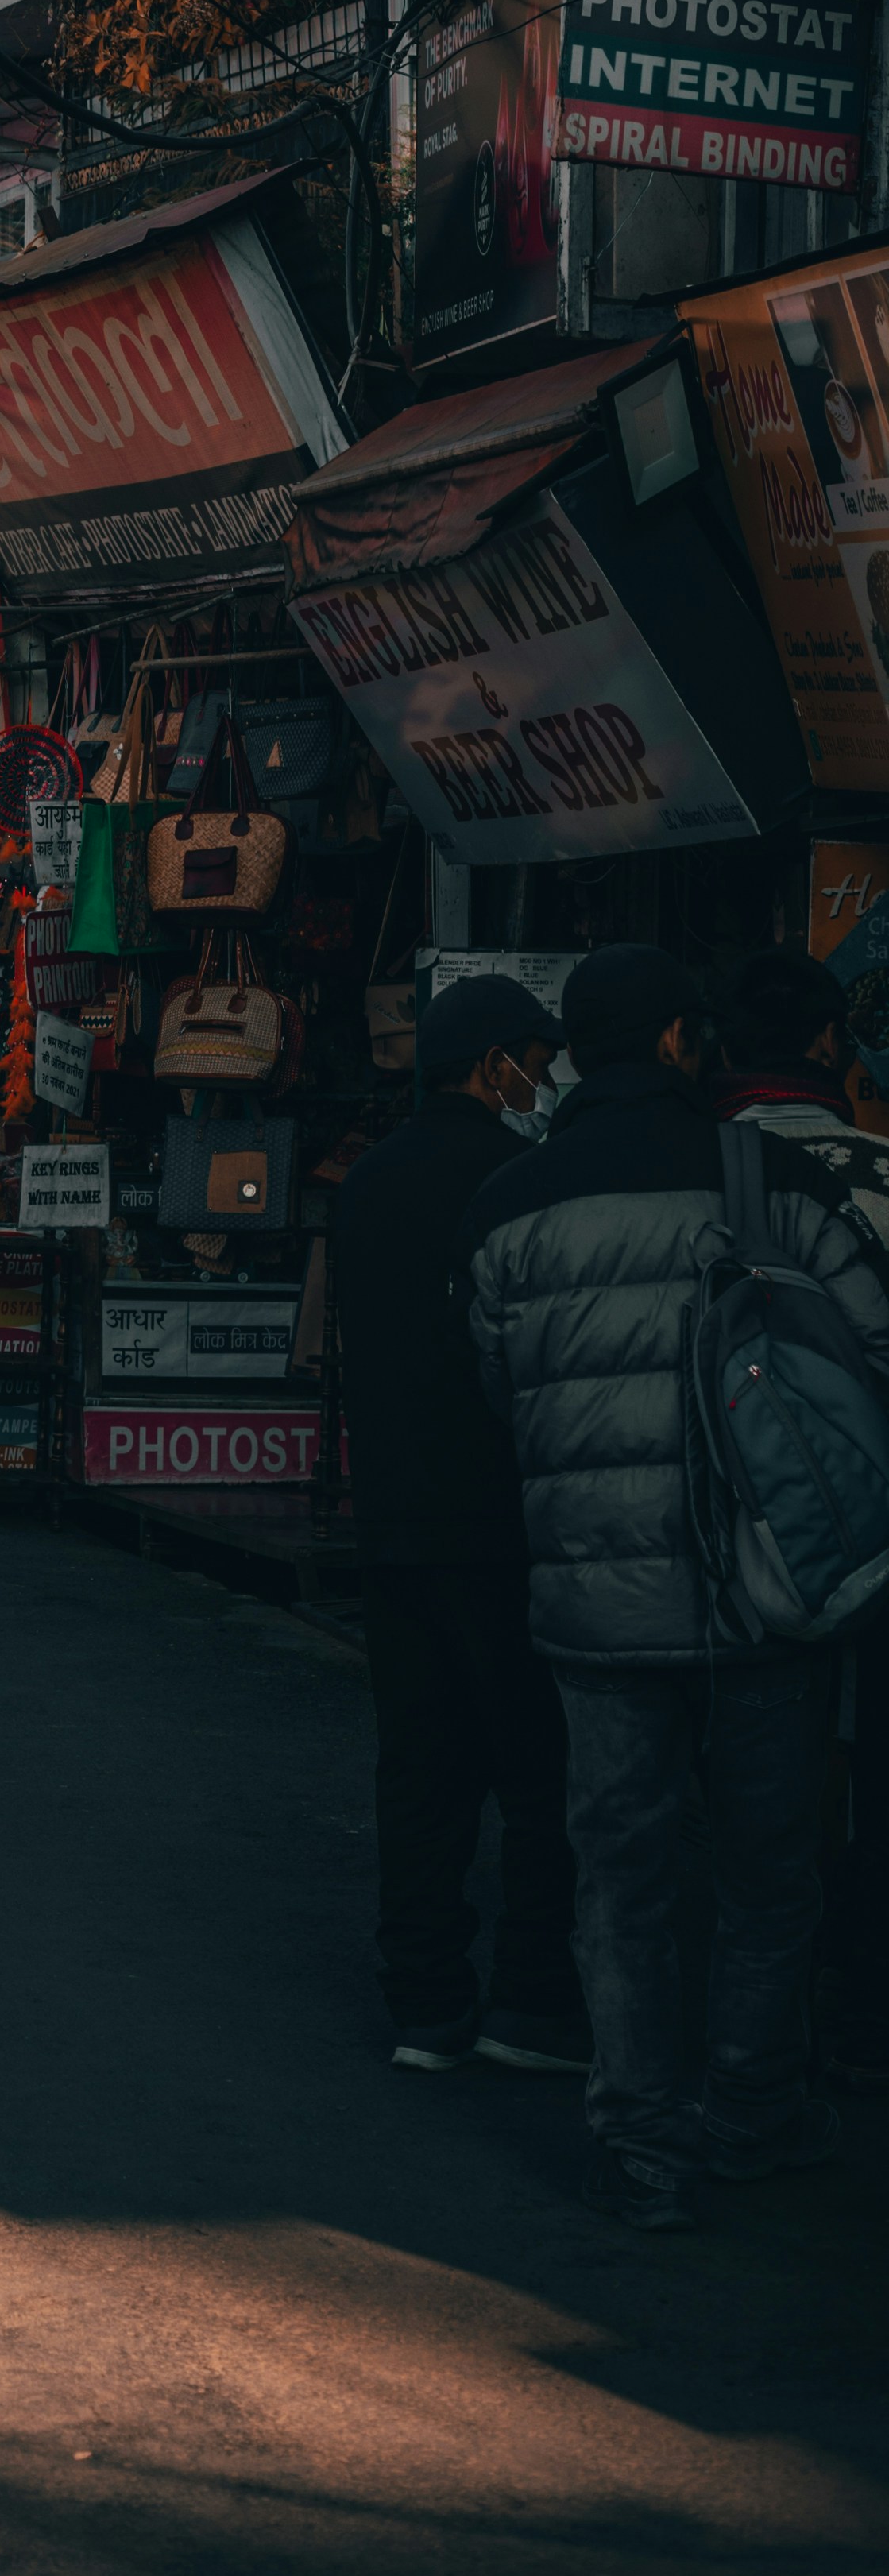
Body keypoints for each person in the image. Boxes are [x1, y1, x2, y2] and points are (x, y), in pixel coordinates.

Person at [466, 942, 889, 2227]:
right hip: (764, 1586)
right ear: (670, 1042)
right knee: (768, 1868)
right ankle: (752, 2108)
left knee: (622, 1875)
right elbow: (866, 1345)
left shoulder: (508, 1202)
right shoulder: (764, 1179)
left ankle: (639, 2141)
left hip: (595, 1601)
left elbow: (498, 1391)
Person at [330, 973, 583, 2078]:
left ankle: (424, 2003)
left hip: (393, 1518)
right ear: (496, 1069)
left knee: (420, 1771)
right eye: (538, 1060)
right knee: (536, 1772)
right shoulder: (519, 1179)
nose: (546, 1082)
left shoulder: (367, 1182)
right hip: (501, 1521)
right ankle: (529, 2001)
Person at [712, 946, 889, 2093]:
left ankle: (757, 2031)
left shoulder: (699, 1170)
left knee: (749, 1784)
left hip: (720, 1521)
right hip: (871, 1522)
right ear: (831, 1047)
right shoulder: (876, 1171)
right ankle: (852, 2006)